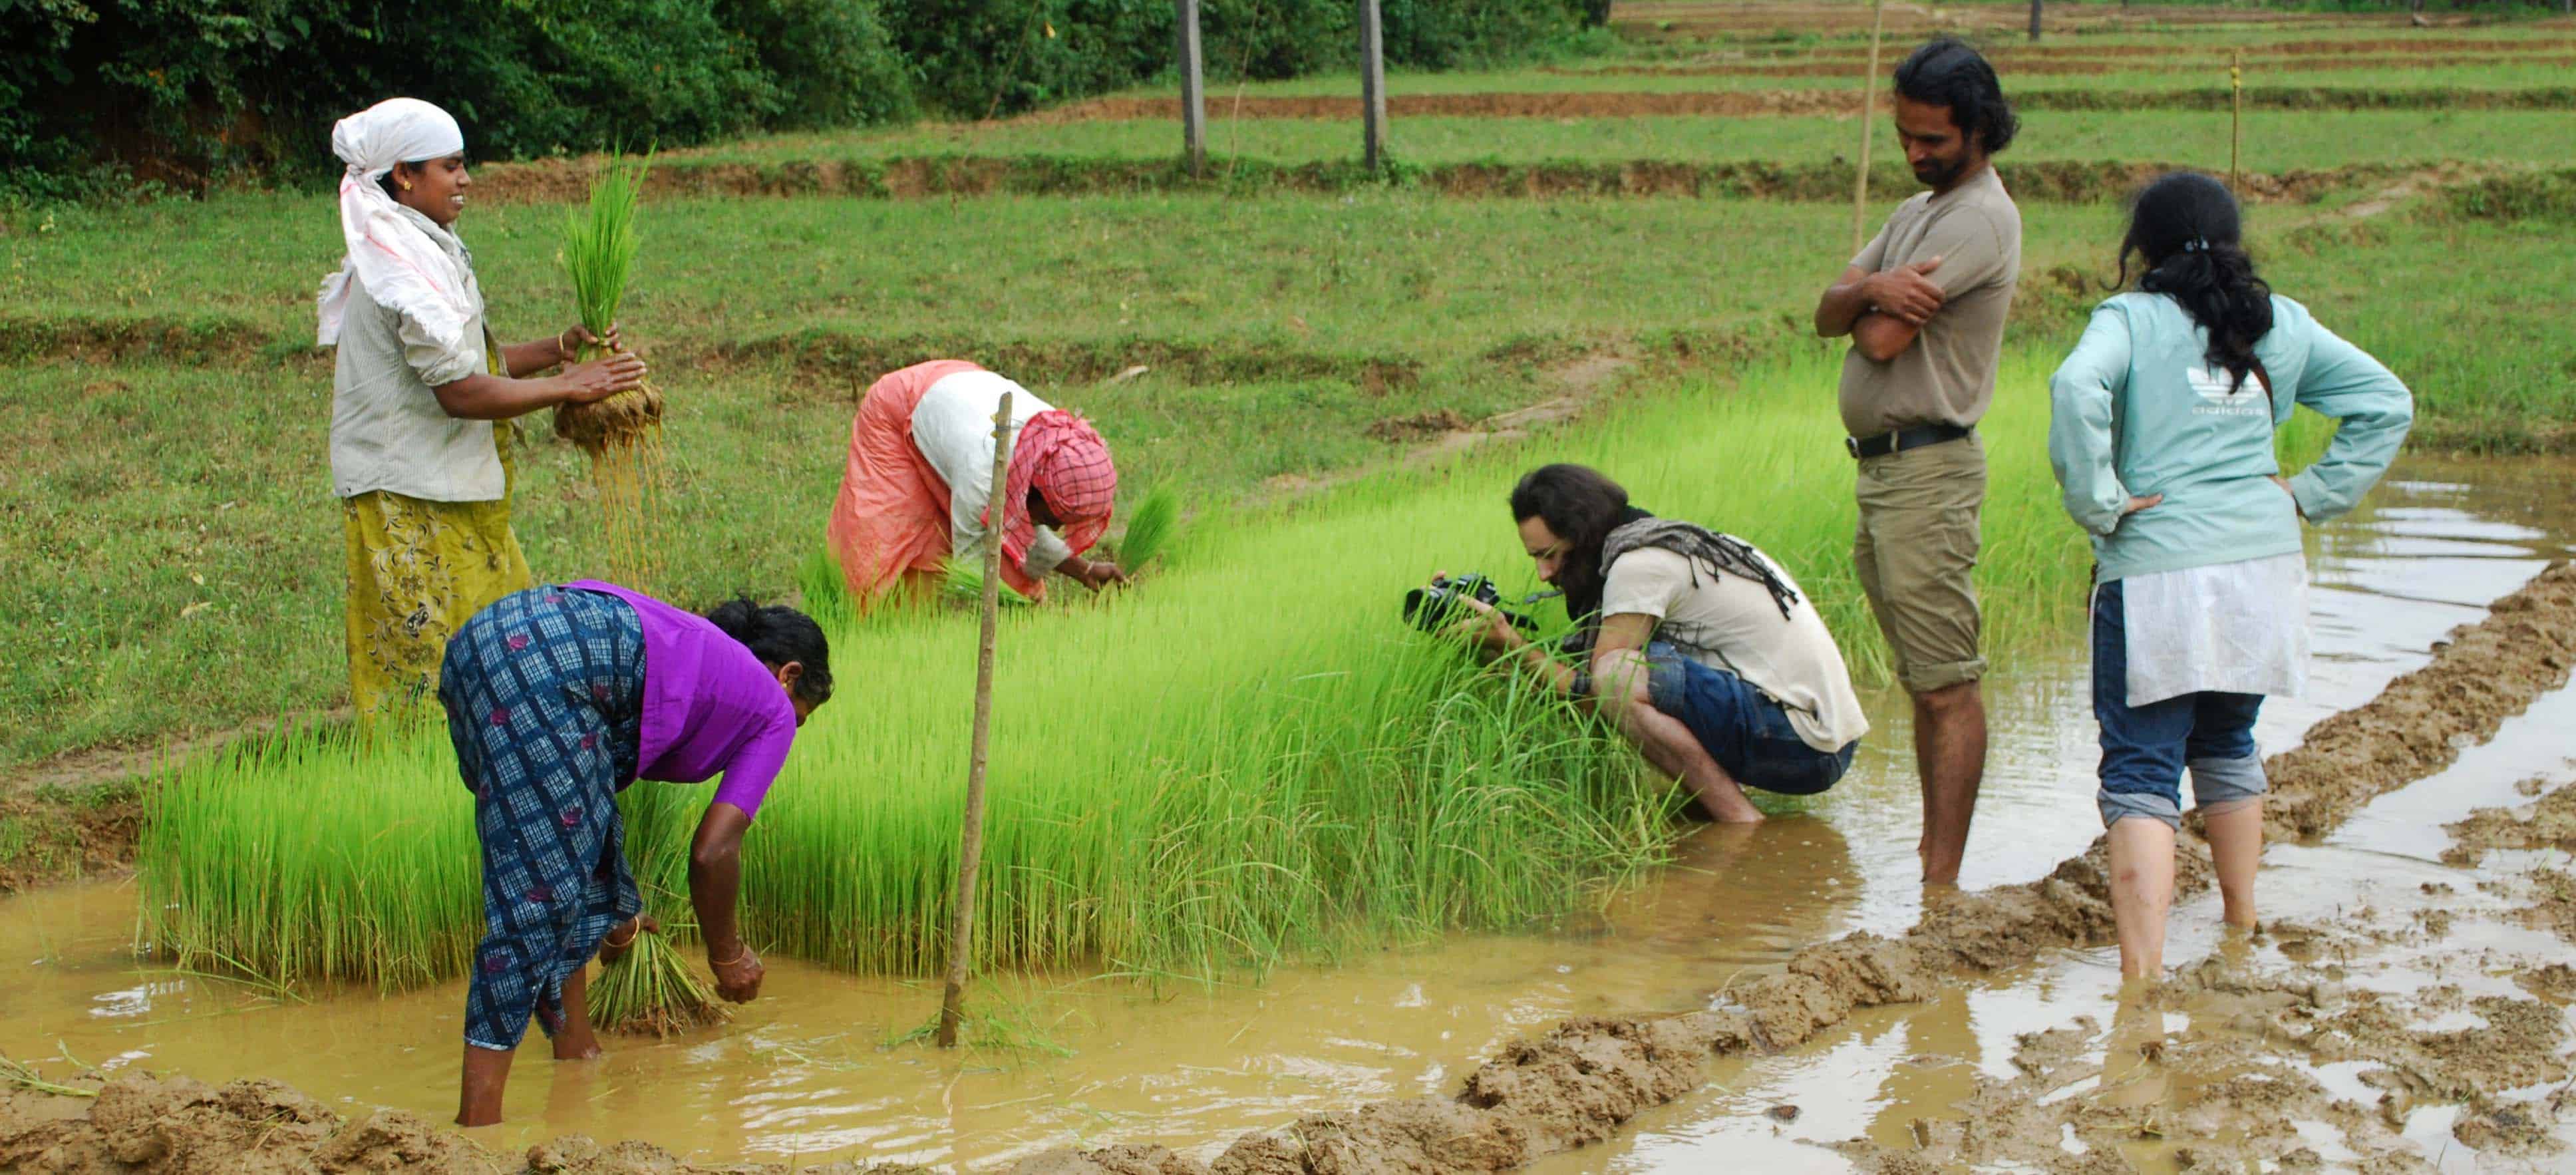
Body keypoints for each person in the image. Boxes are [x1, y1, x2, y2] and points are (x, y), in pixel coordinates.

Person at [2048, 172, 2410, 979]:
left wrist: (2100, 501)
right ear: (2234, 239)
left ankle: (2141, 975)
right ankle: (2241, 924)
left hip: (2157, 570)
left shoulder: (2130, 319)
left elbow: (2075, 385)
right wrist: (2310, 494)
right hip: (2259, 566)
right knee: (2227, 741)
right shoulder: (2277, 322)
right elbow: (2385, 402)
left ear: (2139, 246)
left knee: (2141, 766)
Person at [439, 582, 832, 1125]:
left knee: (565, 866)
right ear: (788, 675)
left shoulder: (690, 645)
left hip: (476, 644)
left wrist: (619, 913)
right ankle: (475, 1135)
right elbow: (714, 851)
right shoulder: (771, 707)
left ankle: (577, 1054)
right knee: (537, 904)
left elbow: (586, 812)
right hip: (544, 671)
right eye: (803, 714)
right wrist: (728, 956)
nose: (795, 725)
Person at [319, 97, 649, 723]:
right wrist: (571, 387)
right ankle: (409, 789)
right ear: (403, 177)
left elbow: (474, 365)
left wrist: (558, 350)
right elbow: (460, 392)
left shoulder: (425, 247)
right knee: (420, 671)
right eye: (452, 166)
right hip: (401, 497)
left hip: (451, 489)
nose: (465, 180)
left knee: (504, 649)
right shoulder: (396, 267)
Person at [1810, 39, 2022, 885]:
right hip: (1886, 471)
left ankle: (1940, 882)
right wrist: (1868, 286)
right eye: (1903, 135)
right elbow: (1830, 311)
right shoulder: (1916, 209)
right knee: (1920, 679)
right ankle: (1934, 872)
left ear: (1977, 130)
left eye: (1930, 139)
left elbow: (1880, 335)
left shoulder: (1975, 217)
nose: (1914, 152)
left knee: (1943, 683)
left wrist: (1866, 293)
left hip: (1928, 471)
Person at [1446, 464, 1869, 823]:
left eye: (1551, 554)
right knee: (1626, 672)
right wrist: (1505, 651)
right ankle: (1712, 808)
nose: (1543, 574)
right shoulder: (1658, 542)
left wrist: (1514, 647)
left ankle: (1741, 824)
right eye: (1535, 558)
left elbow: (1598, 694)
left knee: (1617, 675)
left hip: (1805, 744)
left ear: (1584, 534)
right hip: (1821, 739)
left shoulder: (1638, 566)